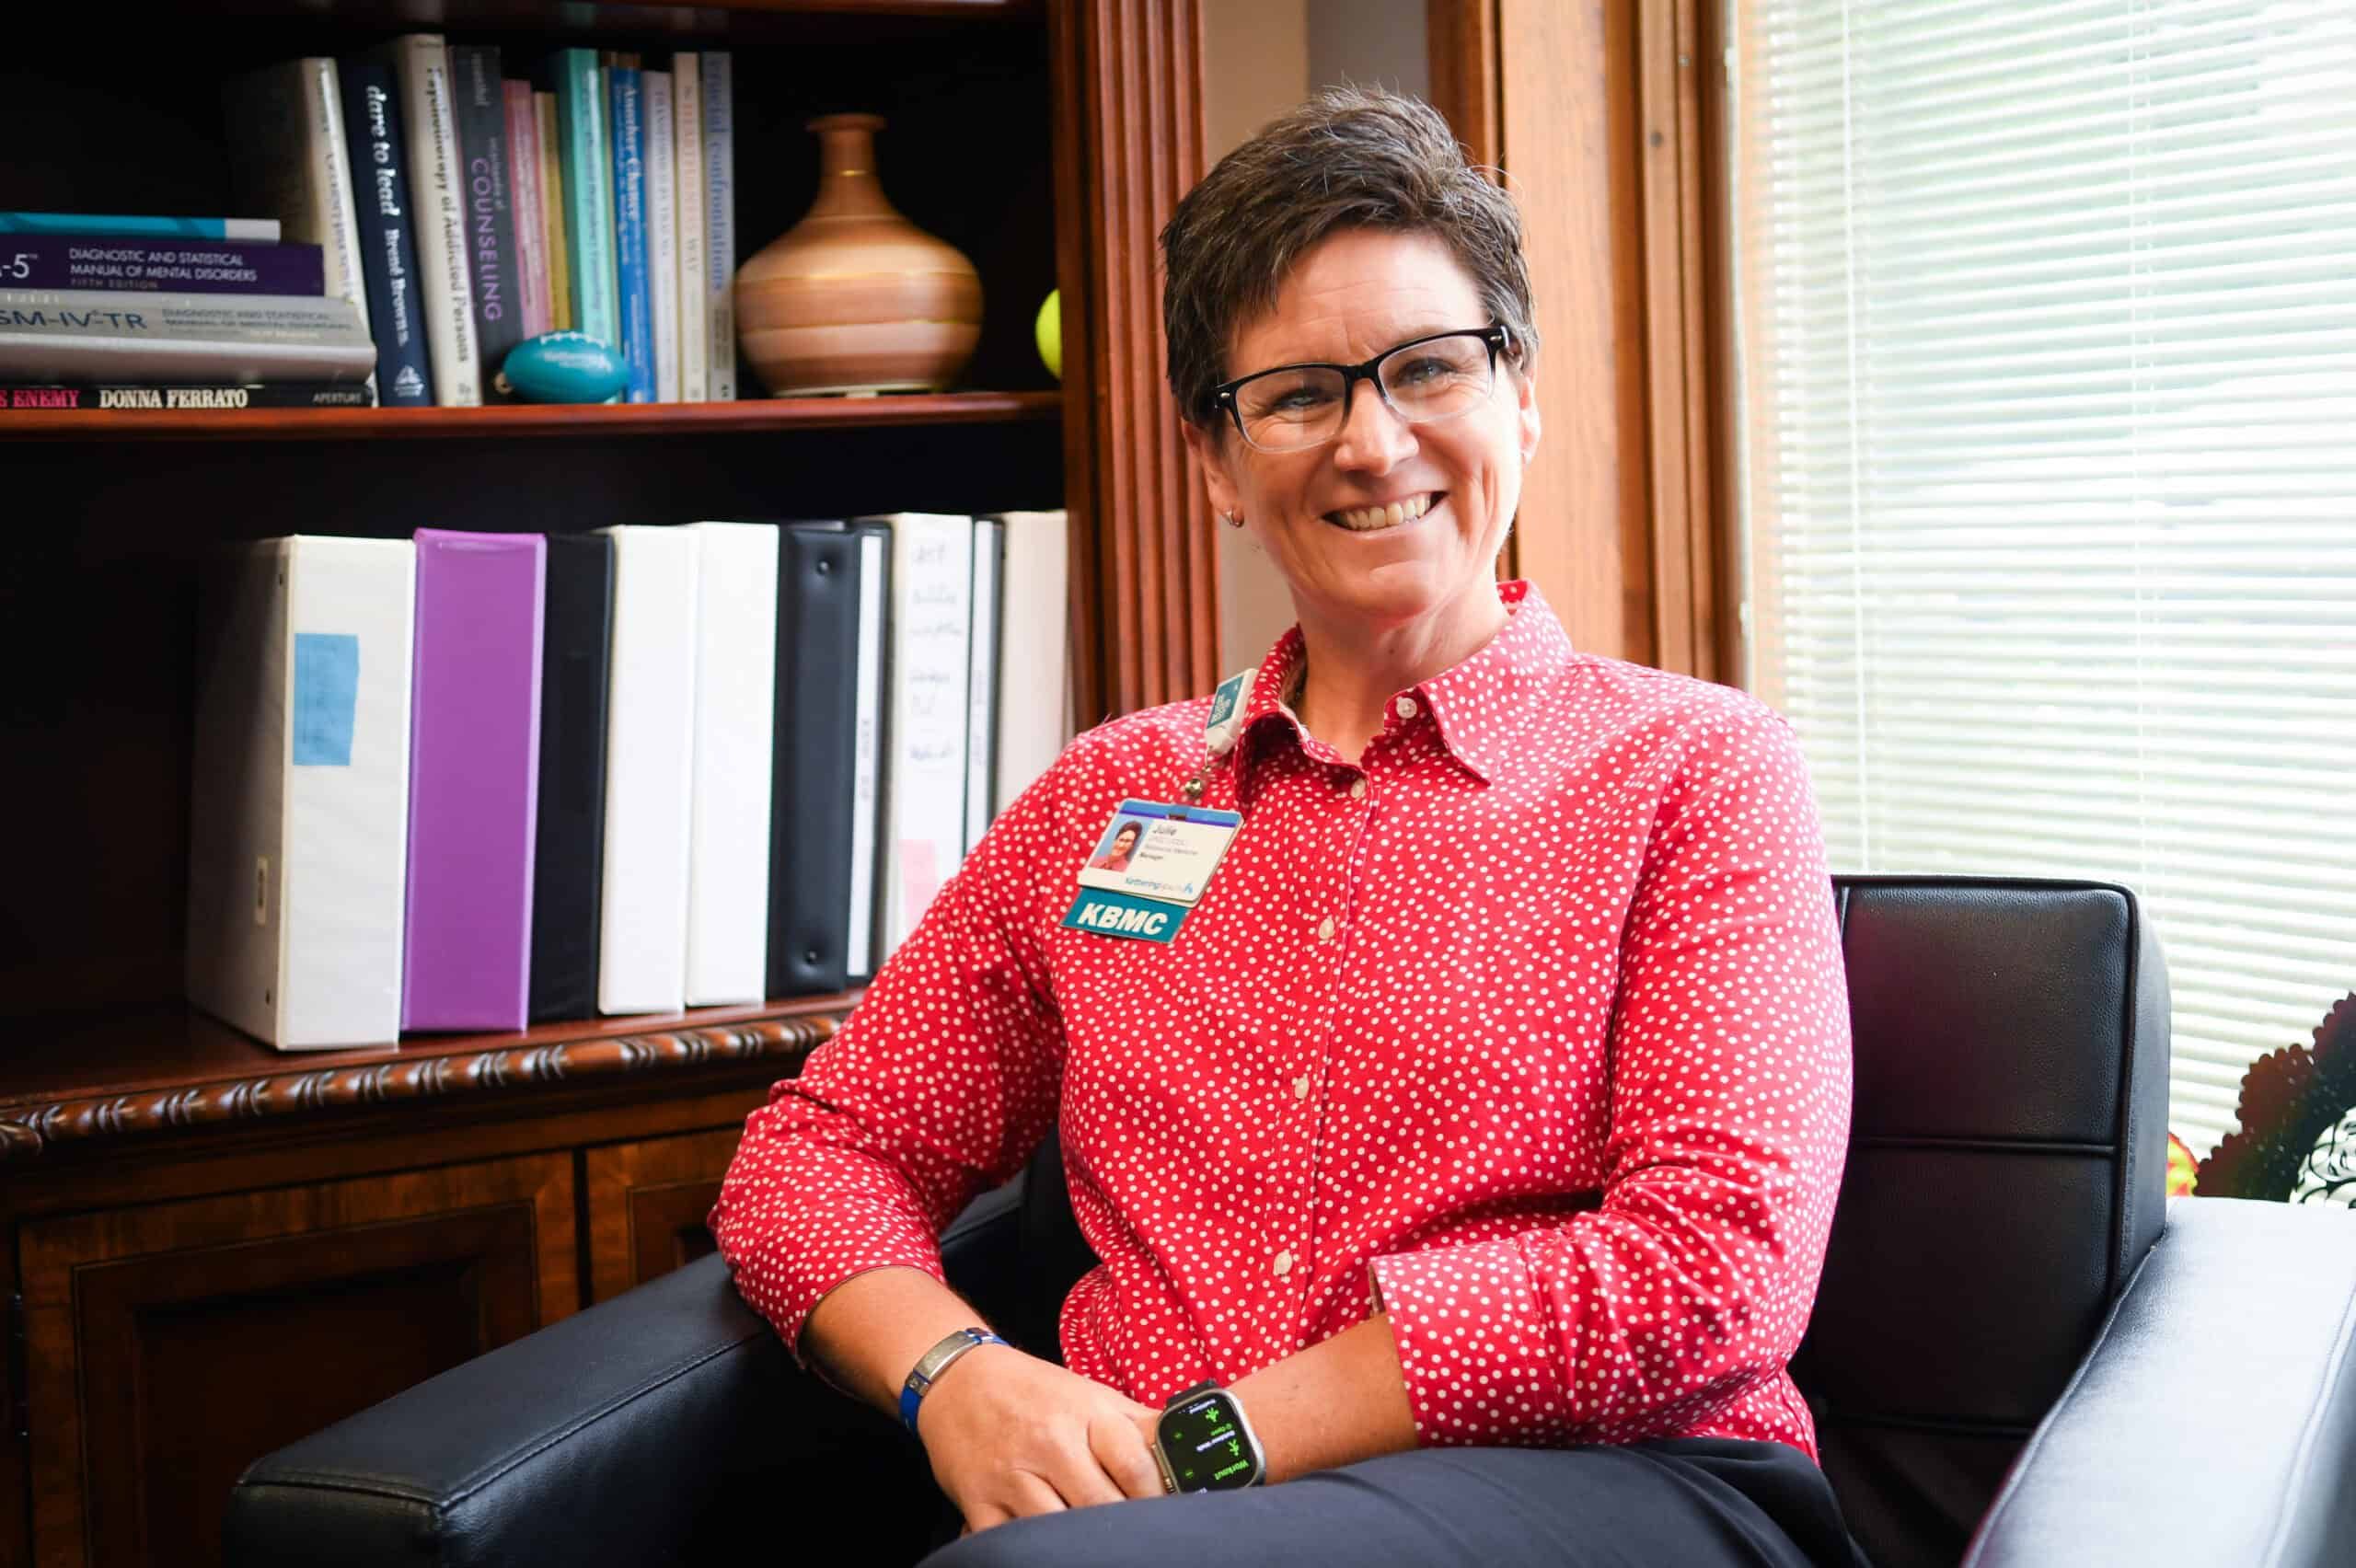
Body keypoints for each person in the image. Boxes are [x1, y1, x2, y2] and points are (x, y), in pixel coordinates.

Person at [711, 86, 1864, 1568]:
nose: (1374, 445)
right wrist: (959, 1379)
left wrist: (1217, 1437)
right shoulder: (1111, 800)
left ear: (1521, 396)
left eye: (1428, 369)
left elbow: (1712, 1271)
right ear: (1217, 463)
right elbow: (818, 1151)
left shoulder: (1699, 769)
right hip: (1139, 1528)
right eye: (1302, 393)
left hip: (1619, 1484)